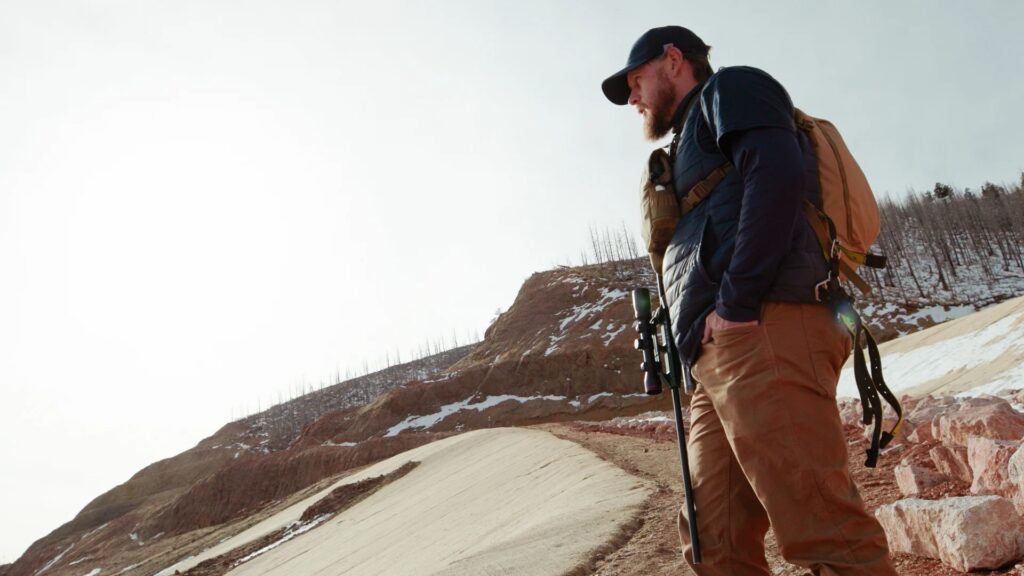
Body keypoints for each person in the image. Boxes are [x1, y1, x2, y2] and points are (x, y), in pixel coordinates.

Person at [602, 26, 897, 576]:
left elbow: (776, 174)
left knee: (820, 525)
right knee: (715, 540)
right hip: (717, 360)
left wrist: (735, 304)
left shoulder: (732, 89)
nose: (634, 99)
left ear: (672, 60)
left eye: (635, 82)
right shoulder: (684, 143)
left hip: (763, 326)